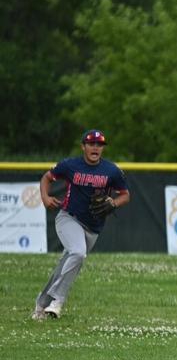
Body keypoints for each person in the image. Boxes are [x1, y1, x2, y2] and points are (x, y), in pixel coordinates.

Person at [33, 129, 130, 320]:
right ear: (83, 147)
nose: (95, 147)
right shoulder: (70, 165)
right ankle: (58, 302)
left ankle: (41, 304)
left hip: (93, 227)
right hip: (69, 217)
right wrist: (45, 196)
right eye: (91, 144)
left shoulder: (111, 171)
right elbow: (47, 177)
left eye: (99, 145)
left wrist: (113, 203)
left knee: (67, 264)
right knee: (78, 252)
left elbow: (126, 195)